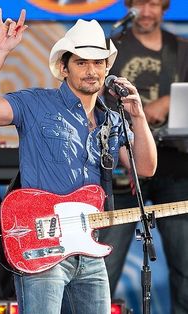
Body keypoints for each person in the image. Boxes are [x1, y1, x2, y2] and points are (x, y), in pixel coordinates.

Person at [0, 8, 157, 314]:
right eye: (81, 62)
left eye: (98, 62)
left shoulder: (111, 119)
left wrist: (139, 116)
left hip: (89, 252)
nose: (91, 70)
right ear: (64, 68)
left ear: (107, 68)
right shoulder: (35, 103)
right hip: (41, 246)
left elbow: (144, 169)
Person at [99, 0, 188, 313]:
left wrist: (167, 101)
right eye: (140, 4)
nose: (147, 11)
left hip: (175, 164)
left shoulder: (181, 49)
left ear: (164, 8)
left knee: (185, 266)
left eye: (153, 4)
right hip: (124, 162)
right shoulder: (111, 47)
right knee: (104, 265)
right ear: (129, 7)